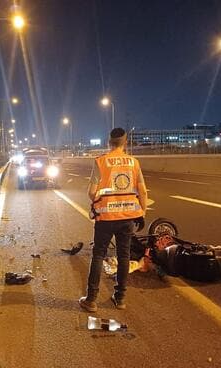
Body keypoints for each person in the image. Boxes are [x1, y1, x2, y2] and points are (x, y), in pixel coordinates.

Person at [79, 128, 148, 311]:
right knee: (123, 256)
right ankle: (120, 298)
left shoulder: (101, 162)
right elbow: (142, 191)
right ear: (125, 143)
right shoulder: (134, 163)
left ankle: (91, 300)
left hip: (106, 218)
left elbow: (92, 192)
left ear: (109, 142)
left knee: (99, 255)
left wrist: (99, 202)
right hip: (128, 218)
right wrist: (142, 212)